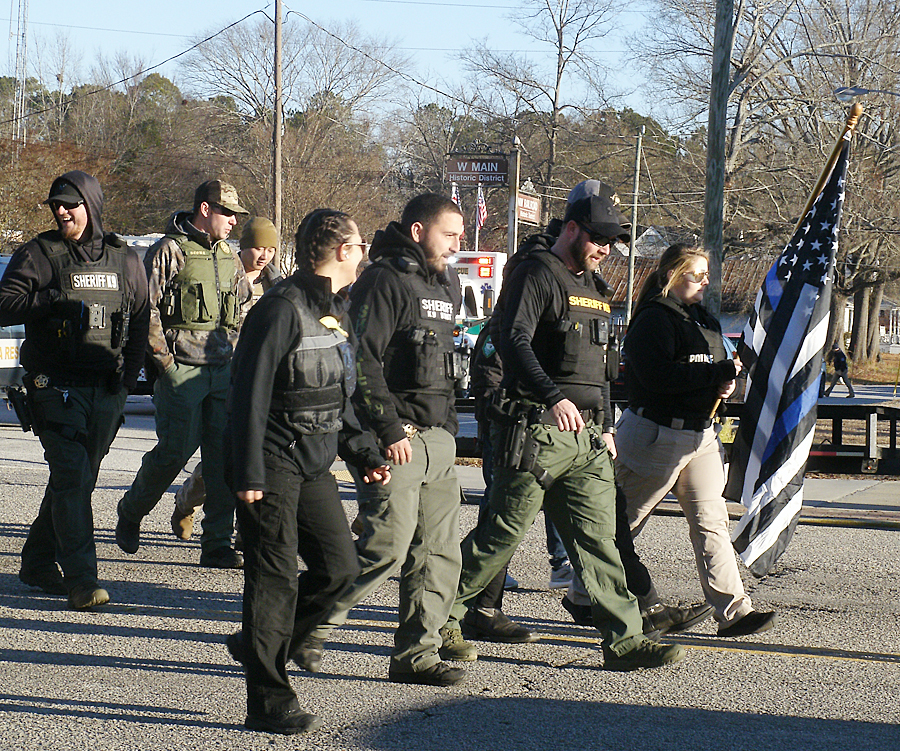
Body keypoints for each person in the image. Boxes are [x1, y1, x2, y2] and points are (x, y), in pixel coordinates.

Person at [441, 192, 686, 671]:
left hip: (588, 439)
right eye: (598, 240)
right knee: (499, 537)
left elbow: (600, 368)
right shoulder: (535, 273)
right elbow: (512, 341)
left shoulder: (595, 287)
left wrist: (608, 423)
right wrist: (554, 398)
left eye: (611, 243)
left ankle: (625, 640)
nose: (604, 250)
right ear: (572, 229)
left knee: (600, 541)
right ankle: (440, 621)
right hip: (537, 431)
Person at [222, 209, 390, 735]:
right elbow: (247, 397)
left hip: (315, 462)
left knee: (339, 569)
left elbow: (337, 395)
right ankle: (268, 699)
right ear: (342, 251)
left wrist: (364, 453)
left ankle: (259, 645)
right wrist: (246, 471)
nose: (364, 254)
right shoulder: (279, 310)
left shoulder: (336, 312)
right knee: (273, 581)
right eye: (360, 246)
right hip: (271, 463)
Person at [299, 193, 468, 687]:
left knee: (438, 554)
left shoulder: (444, 284)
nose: (458, 244)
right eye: (450, 234)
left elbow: (446, 365)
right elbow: (362, 359)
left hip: (437, 438)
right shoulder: (384, 279)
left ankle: (417, 655)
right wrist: (389, 429)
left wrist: (451, 432)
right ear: (419, 232)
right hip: (398, 437)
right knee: (385, 548)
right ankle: (306, 627)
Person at [0, 170, 150, 609]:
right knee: (71, 474)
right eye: (55, 205)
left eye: (70, 203)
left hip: (105, 388)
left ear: (91, 204)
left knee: (79, 480)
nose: (61, 211)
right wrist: (49, 300)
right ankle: (82, 580)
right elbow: (3, 303)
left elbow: (140, 319)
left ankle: (37, 561)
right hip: (53, 387)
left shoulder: (125, 259)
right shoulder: (40, 255)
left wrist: (127, 381)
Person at [616, 243, 777, 637]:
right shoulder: (653, 319)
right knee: (621, 525)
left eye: (707, 274)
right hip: (656, 433)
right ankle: (584, 595)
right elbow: (657, 378)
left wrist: (722, 384)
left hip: (702, 435)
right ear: (672, 275)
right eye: (696, 274)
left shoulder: (705, 319)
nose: (705, 281)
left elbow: (709, 370)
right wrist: (712, 375)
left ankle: (735, 612)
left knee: (711, 522)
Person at [115, 179, 252, 568]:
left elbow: (241, 307)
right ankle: (131, 510)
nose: (233, 222)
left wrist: (236, 356)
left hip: (221, 373)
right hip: (181, 372)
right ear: (205, 210)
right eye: (227, 213)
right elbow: (145, 309)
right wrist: (166, 364)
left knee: (221, 459)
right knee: (173, 453)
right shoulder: (169, 251)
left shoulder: (228, 255)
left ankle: (216, 543)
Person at [170, 216, 284, 540]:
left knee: (251, 455)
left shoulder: (278, 285)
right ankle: (186, 500)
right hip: (229, 372)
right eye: (258, 247)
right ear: (244, 246)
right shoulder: (225, 272)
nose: (264, 255)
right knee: (223, 455)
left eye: (270, 249)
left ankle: (241, 526)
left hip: (266, 379)